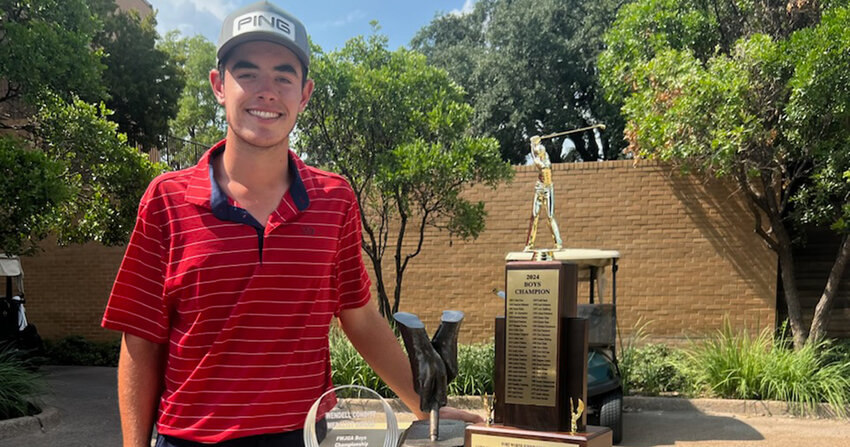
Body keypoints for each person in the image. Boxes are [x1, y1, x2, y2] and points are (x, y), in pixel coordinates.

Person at [101, 2, 481, 446]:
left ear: (304, 94)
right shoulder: (166, 200)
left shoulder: (334, 200)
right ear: (218, 85)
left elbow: (359, 317)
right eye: (247, 73)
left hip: (300, 437)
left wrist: (422, 403)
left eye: (283, 76)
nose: (266, 91)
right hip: (189, 437)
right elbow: (141, 339)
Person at [524, 136, 563, 251]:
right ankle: (529, 244)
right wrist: (534, 144)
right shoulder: (541, 159)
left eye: (539, 151)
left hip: (548, 189)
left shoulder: (545, 161)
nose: (538, 153)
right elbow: (534, 156)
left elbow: (535, 158)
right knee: (534, 216)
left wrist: (532, 145)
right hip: (539, 188)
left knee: (550, 216)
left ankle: (558, 242)